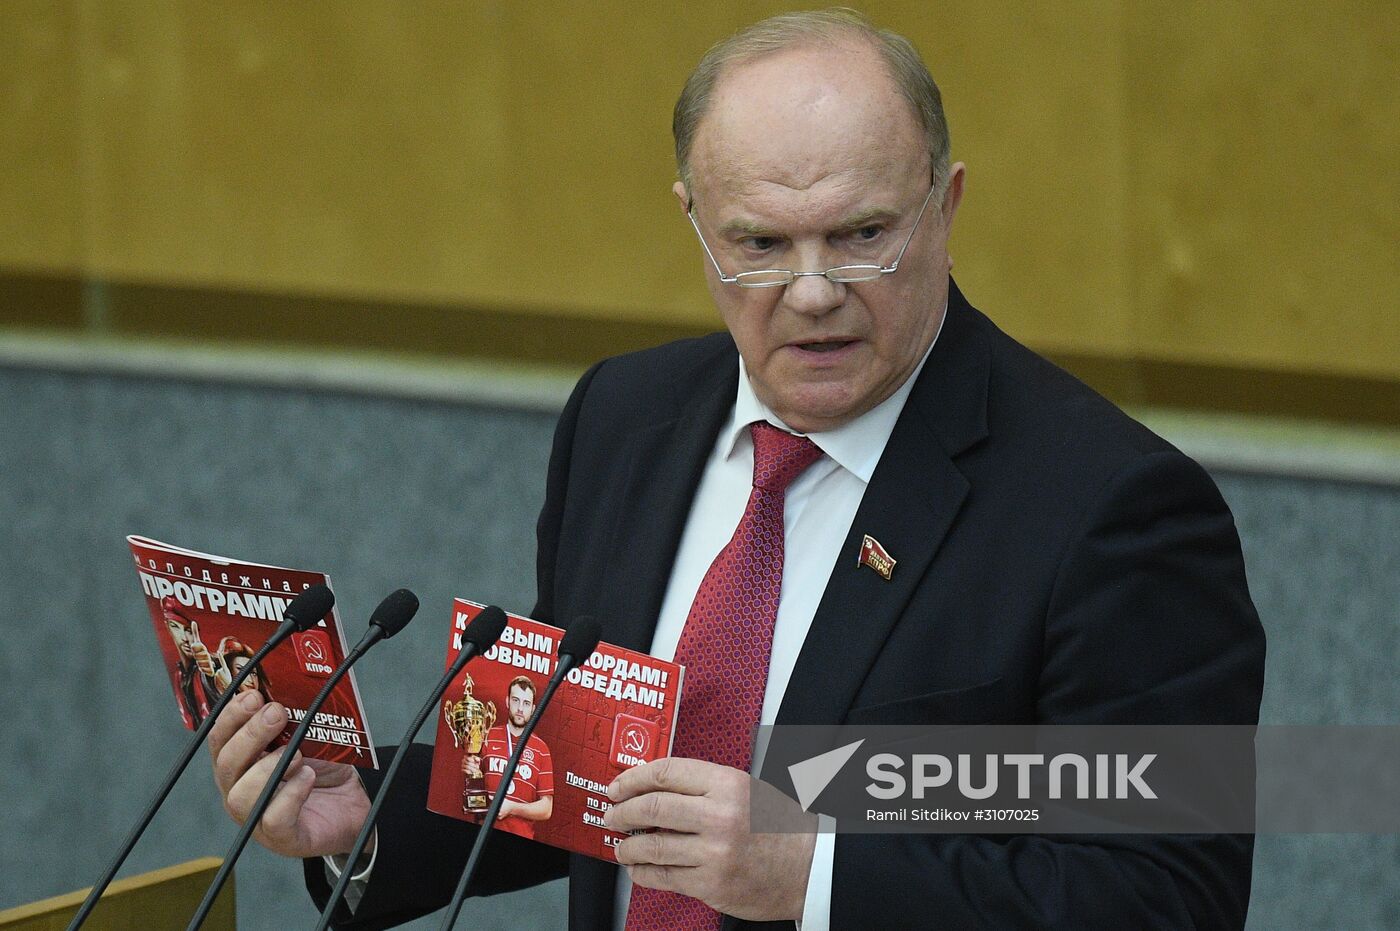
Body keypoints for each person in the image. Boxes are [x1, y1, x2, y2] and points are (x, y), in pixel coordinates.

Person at [208, 9, 1264, 930]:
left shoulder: (1109, 508)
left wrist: (810, 872)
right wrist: (365, 820)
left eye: (861, 235)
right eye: (758, 244)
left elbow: (1167, 897)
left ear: (944, 208)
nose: (811, 292)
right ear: (692, 222)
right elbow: (579, 772)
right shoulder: (623, 419)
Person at [474, 676, 555, 840]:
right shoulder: (487, 736)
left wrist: (512, 808)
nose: (520, 708)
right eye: (516, 700)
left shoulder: (541, 749)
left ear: (533, 709)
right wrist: (483, 805)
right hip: (482, 836)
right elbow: (472, 800)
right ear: (507, 701)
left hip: (520, 841)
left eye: (526, 703)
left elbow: (547, 809)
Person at [161, 596, 219, 727]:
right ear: (168, 627)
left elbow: (219, 683)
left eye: (188, 630)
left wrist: (210, 676)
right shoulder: (178, 675)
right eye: (175, 627)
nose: (184, 638)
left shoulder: (208, 666)